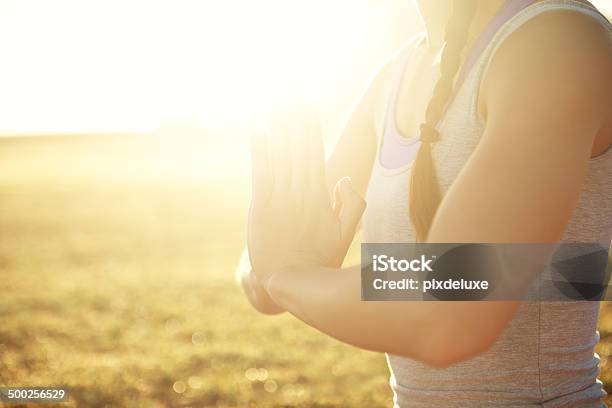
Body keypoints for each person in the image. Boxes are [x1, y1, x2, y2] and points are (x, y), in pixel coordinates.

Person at [239, 0, 612, 406]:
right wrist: (283, 271)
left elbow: (451, 309)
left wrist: (289, 275)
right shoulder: (397, 73)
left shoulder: (558, 41)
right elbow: (260, 276)